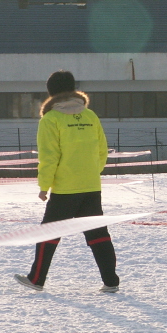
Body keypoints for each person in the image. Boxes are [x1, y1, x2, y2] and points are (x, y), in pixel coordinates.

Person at [14, 70, 120, 293]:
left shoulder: (51, 119)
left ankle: (36, 279)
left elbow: (49, 157)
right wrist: (91, 172)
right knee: (98, 234)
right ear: (74, 89)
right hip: (91, 185)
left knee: (49, 233)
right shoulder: (90, 116)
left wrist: (44, 185)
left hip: (65, 188)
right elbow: (102, 150)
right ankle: (111, 282)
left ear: (50, 92)